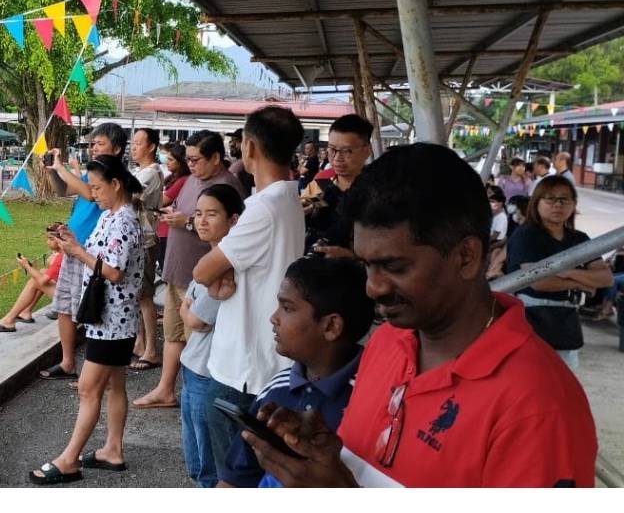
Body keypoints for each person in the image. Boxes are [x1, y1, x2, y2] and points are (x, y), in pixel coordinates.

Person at [241, 143, 598, 488]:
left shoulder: (539, 406)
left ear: (467, 256)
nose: (373, 287)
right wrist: (325, 456)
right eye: (366, 265)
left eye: (393, 266)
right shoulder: (388, 341)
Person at [191, 106, 307, 484]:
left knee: (232, 478)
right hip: (261, 363)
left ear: (250, 146)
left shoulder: (263, 208)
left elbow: (203, 270)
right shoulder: (289, 197)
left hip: (242, 370)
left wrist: (215, 275)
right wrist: (219, 276)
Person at [29, 155, 145, 485]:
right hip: (110, 319)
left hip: (113, 322)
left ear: (116, 184)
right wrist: (73, 244)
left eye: (96, 187)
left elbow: (113, 271)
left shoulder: (123, 221)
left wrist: (78, 252)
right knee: (113, 385)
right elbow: (98, 256)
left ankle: (68, 460)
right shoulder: (113, 215)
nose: (93, 193)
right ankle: (113, 450)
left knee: (87, 389)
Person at [219, 256, 374, 488]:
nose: (274, 318)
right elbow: (236, 480)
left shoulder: (372, 399)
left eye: (287, 308)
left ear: (331, 326)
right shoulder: (275, 390)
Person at [132, 130, 243, 409]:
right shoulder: (193, 179)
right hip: (177, 268)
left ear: (216, 157)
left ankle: (197, 399)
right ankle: (165, 389)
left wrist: (189, 223)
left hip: (205, 278)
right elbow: (180, 211)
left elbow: (231, 232)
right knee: (174, 333)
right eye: (188, 159)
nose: (190, 165)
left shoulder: (228, 187)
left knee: (197, 340)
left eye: (196, 159)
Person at [40, 122, 128, 380]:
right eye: (92, 144)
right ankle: (68, 363)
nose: (93, 149)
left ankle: (93, 370)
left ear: (117, 148)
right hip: (74, 249)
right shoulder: (92, 173)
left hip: (93, 255)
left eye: (100, 144)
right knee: (66, 307)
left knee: (93, 310)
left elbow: (90, 195)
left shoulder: (115, 175)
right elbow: (63, 190)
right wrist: (52, 172)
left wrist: (61, 167)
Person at [505, 175, 612, 368]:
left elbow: (605, 278)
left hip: (566, 318)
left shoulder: (579, 239)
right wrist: (582, 282)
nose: (557, 205)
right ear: (537, 202)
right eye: (550, 199)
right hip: (531, 316)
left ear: (573, 204)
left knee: (564, 385)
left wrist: (566, 271)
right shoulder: (526, 235)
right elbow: (539, 282)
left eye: (564, 199)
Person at [178, 183, 245, 487]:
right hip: (193, 366)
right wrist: (187, 311)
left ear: (234, 220)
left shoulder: (223, 265)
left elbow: (196, 320)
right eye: (199, 214)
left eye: (212, 214)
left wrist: (185, 310)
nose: (202, 221)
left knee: (206, 466)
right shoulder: (211, 258)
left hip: (206, 372)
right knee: (198, 459)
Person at [301, 114, 373, 257]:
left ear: (366, 151)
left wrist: (351, 256)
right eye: (332, 149)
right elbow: (303, 205)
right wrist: (304, 210)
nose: (337, 158)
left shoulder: (376, 190)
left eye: (347, 151)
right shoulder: (322, 180)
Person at [0, 223, 64, 333]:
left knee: (35, 281)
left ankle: (9, 320)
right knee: (42, 272)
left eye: (51, 239)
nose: (47, 242)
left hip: (74, 302)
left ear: (61, 241)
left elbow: (42, 281)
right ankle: (25, 312)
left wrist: (26, 265)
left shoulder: (63, 256)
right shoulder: (63, 253)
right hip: (75, 295)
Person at [129, 128, 164, 371]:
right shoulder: (139, 171)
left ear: (151, 146)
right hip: (138, 239)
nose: (134, 147)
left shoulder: (151, 173)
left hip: (146, 239)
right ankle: (142, 343)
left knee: (145, 295)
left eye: (139, 143)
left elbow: (127, 196)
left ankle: (151, 349)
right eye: (133, 142)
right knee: (139, 294)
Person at [156, 143, 191, 276]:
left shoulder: (182, 180)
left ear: (181, 162)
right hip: (162, 228)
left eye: (171, 160)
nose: (167, 163)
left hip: (167, 231)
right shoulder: (171, 178)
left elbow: (162, 201)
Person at [228, 128, 254, 197]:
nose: (232, 144)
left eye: (237, 141)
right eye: (232, 140)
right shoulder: (238, 163)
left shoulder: (240, 166)